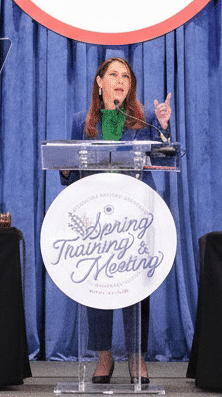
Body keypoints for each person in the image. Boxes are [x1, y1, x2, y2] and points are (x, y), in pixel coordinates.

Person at [66, 57, 172, 384]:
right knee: (99, 286)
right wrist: (67, 169)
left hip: (136, 218)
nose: (120, 80)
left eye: (125, 76)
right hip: (97, 220)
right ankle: (104, 357)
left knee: (136, 287)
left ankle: (137, 357)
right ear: (100, 82)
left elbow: (166, 160)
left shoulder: (147, 120)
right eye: (113, 74)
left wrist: (165, 130)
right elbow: (70, 174)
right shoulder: (81, 123)